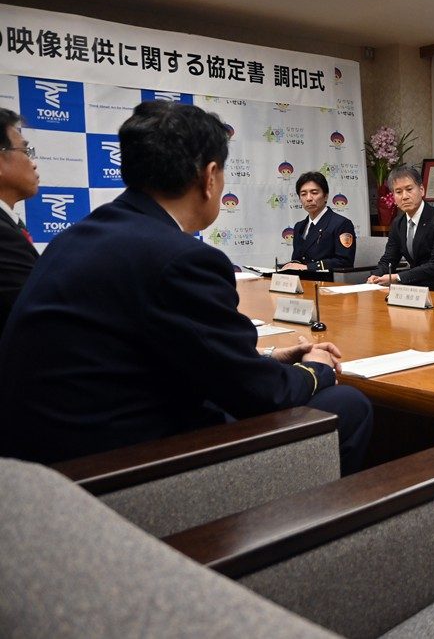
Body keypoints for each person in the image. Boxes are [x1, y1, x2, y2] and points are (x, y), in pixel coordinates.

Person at [0, 101, 372, 475]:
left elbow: (168, 352)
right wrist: (316, 369)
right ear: (210, 177)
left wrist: (265, 360)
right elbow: (262, 396)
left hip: (45, 462)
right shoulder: (180, 259)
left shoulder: (78, 237)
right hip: (120, 473)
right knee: (347, 403)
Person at [368, 165, 434, 291]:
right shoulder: (398, 223)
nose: (404, 196)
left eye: (409, 189)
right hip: (415, 287)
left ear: (421, 190)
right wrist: (376, 275)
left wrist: (398, 277)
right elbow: (389, 258)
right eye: (398, 192)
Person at [0, 108, 40, 336]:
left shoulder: (10, 225)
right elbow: (37, 313)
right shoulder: (3, 236)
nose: (33, 163)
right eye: (26, 151)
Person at [280, 171, 356, 272]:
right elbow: (297, 260)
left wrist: (308, 267)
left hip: (327, 279)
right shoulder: (299, 226)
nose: (308, 198)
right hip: (302, 279)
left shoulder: (341, 224)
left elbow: (345, 262)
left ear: (326, 196)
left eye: (314, 193)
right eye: (303, 194)